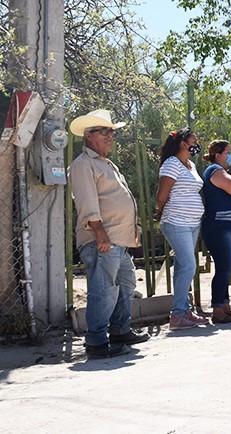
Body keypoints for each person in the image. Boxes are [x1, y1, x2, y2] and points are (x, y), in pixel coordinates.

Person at [68, 109, 149, 359]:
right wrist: (100, 233)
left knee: (125, 285)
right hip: (102, 240)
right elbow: (88, 204)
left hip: (117, 241)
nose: (110, 137)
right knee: (104, 290)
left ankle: (120, 330)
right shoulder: (84, 164)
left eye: (112, 132)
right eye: (105, 131)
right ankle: (96, 342)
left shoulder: (105, 163)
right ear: (89, 135)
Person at [155, 128, 209, 330]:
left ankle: (184, 311)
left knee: (182, 266)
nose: (197, 144)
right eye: (194, 140)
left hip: (193, 222)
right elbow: (161, 195)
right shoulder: (171, 164)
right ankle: (177, 314)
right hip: (177, 222)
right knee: (189, 265)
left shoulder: (191, 165)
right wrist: (160, 210)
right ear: (183, 144)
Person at [201, 140, 231, 323]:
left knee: (227, 267)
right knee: (224, 268)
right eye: (228, 152)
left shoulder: (222, 172)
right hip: (218, 226)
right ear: (218, 155)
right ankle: (217, 310)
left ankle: (225, 305)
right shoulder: (214, 171)